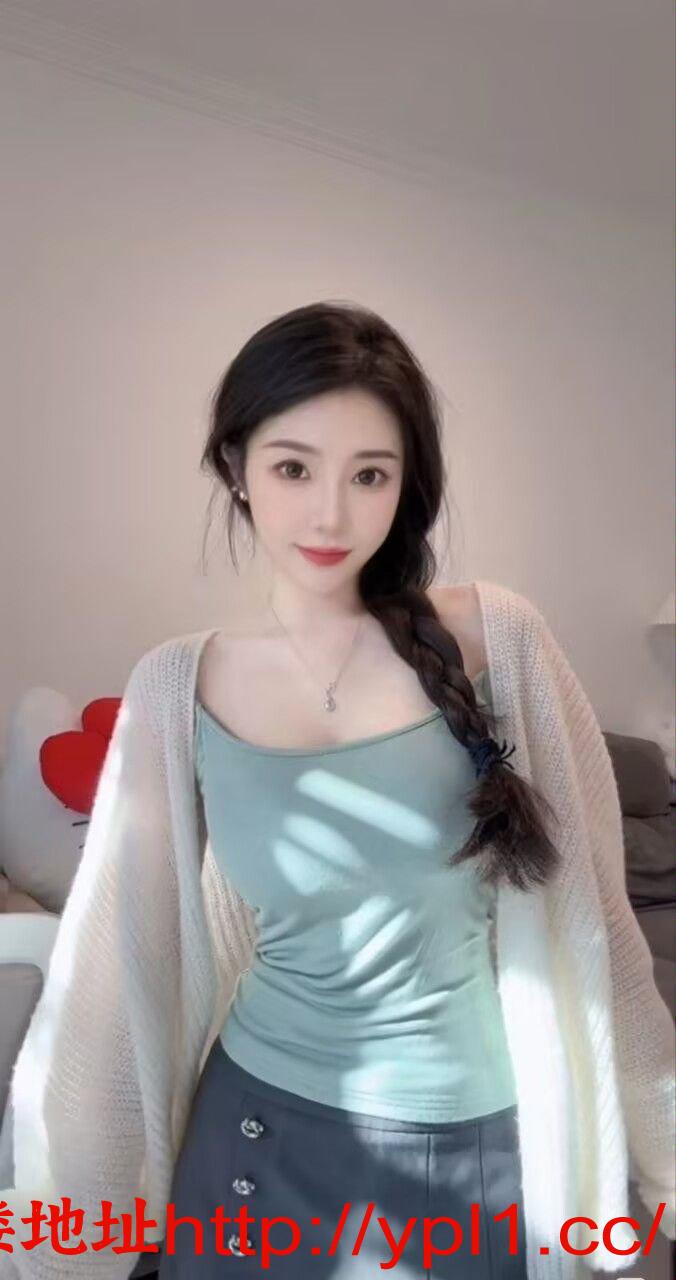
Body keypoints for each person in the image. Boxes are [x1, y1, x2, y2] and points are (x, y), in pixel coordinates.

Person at [3, 302, 674, 1280]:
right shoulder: (178, 684)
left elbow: (598, 921)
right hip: (251, 1141)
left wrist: (664, 1154)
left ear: (407, 485)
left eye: (369, 474)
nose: (330, 515)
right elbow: (114, 969)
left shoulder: (503, 640)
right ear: (235, 467)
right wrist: (61, 1232)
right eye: (293, 468)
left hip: (468, 1153)